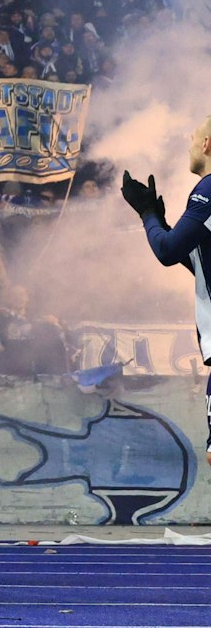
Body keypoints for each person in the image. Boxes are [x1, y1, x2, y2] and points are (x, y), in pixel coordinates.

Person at [122, 123, 211, 466]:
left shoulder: (208, 190)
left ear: (206, 143)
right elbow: (199, 263)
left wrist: (147, 216)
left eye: (191, 140)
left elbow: (168, 251)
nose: (189, 147)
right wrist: (162, 221)